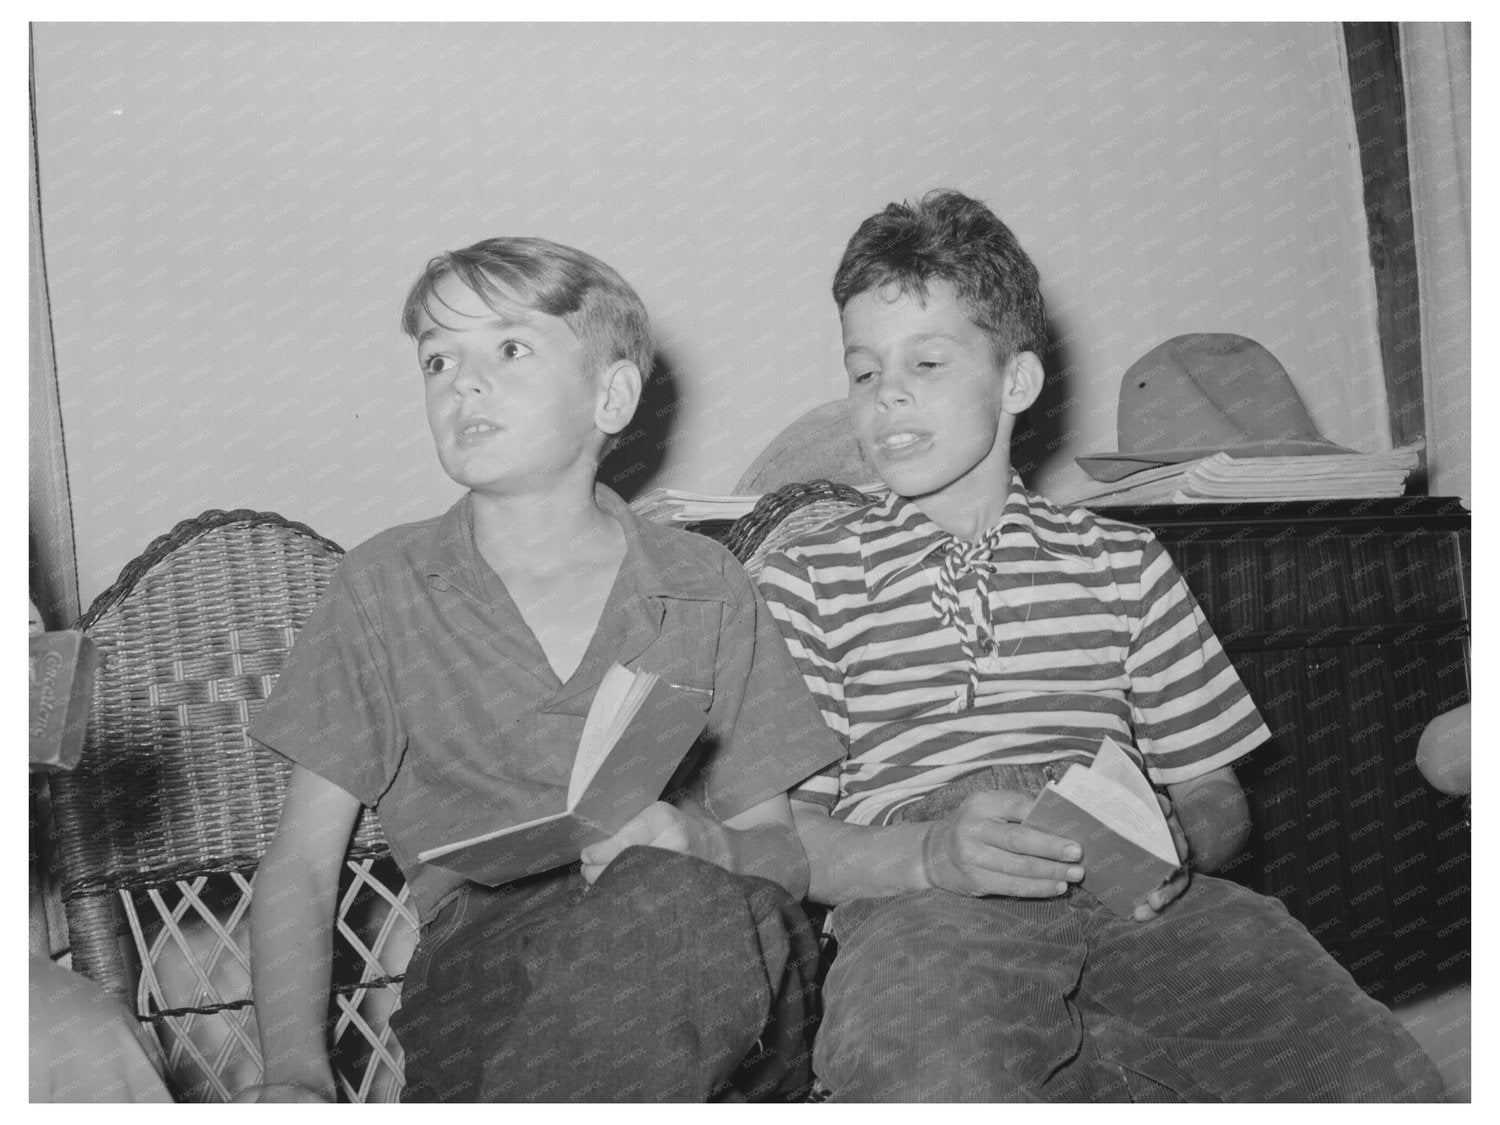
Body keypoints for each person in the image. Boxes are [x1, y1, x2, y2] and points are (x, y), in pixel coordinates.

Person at [756, 189, 1445, 1102]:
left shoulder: (1121, 558)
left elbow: (1214, 792)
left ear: (1016, 382)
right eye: (862, 370)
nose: (887, 393)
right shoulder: (807, 577)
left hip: (1136, 885)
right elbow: (787, 841)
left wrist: (1180, 839)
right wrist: (929, 854)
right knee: (931, 1070)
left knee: (1361, 1068)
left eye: (926, 360)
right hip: (927, 902)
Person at [242, 237, 842, 1103]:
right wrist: (296, 1074)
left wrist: (706, 846)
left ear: (611, 395)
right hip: (489, 967)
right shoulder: (383, 586)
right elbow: (301, 861)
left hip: (716, 949)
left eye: (510, 348)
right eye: (438, 360)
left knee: (673, 900)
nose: (463, 382)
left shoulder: (705, 584)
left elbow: (782, 850)